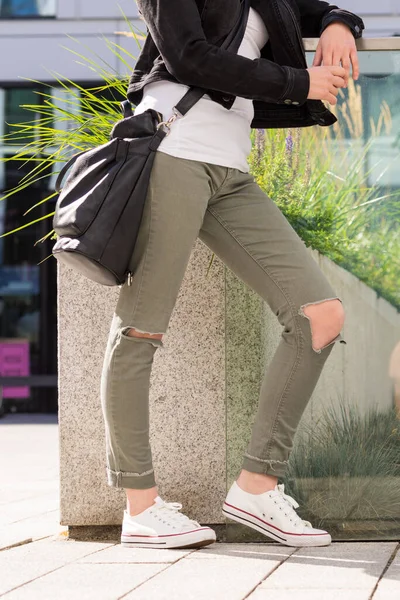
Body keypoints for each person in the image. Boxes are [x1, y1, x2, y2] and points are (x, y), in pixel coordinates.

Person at [100, 0, 364, 549]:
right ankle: (141, 507)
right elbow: (189, 56)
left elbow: (317, 10)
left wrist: (341, 24)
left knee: (319, 315)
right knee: (141, 328)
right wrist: (300, 81)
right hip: (174, 150)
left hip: (230, 167)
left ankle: (256, 486)